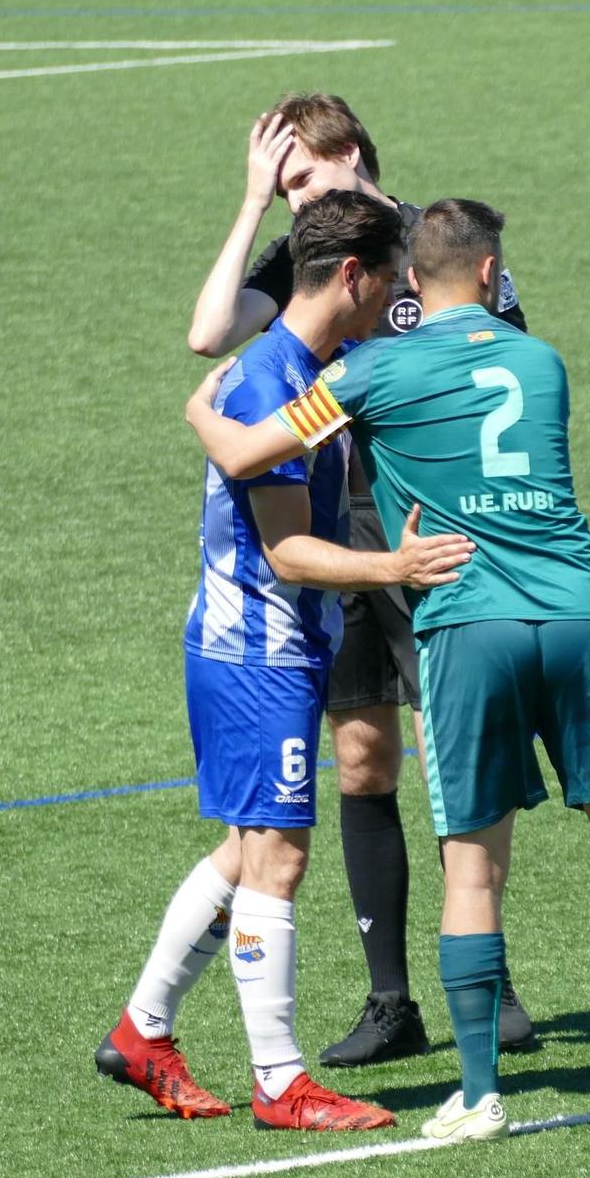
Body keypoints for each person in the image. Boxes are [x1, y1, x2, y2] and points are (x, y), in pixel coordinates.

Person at [185, 198, 590, 1143]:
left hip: (466, 626)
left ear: (411, 279)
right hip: (580, 613)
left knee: (474, 869)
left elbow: (246, 450)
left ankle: (479, 1093)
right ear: (491, 274)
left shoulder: (370, 372)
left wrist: (203, 402)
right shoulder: (543, 361)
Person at [95, 190, 473, 1131]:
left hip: (268, 644)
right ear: (352, 275)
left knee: (245, 846)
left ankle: (144, 1029)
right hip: (257, 650)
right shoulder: (274, 383)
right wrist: (398, 565)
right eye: (392, 276)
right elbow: (287, 551)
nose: (403, 292)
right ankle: (280, 1082)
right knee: (281, 859)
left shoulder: (308, 364)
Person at [187, 93, 535, 1066]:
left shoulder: (431, 247)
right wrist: (256, 199)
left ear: (349, 157)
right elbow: (210, 334)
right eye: (283, 182)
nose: (293, 195)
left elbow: (504, 353)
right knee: (360, 763)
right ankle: (391, 1003)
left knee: (455, 759)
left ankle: (486, 975)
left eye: (300, 175)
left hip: (433, 532)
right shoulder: (304, 248)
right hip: (343, 535)